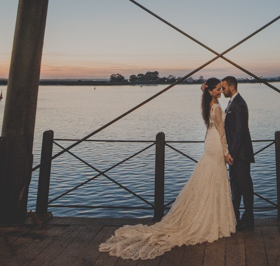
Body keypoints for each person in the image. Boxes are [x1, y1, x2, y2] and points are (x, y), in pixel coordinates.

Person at [98, 77, 235, 260]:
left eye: (220, 88)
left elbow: (211, 128)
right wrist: (226, 152)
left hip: (209, 143)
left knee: (208, 179)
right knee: (215, 180)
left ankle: (209, 217)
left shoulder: (209, 104)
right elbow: (222, 132)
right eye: (217, 89)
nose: (220, 91)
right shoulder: (216, 107)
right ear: (210, 91)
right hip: (216, 144)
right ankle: (213, 221)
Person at [221, 76, 254, 230]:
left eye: (224, 87)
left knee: (244, 186)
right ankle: (235, 217)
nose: (222, 90)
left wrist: (231, 154)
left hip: (240, 154)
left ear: (232, 87)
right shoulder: (232, 102)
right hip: (236, 152)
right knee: (236, 186)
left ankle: (248, 218)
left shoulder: (239, 104)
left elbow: (240, 131)